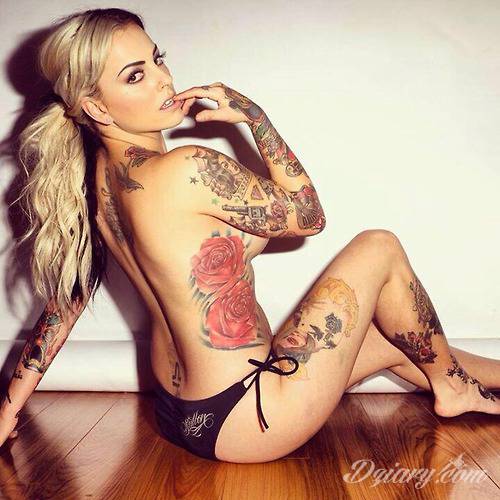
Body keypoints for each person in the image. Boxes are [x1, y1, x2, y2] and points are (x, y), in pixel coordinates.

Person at [2, 7, 499, 464]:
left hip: (178, 414)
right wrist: (256, 119)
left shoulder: (95, 190)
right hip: (251, 416)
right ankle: (452, 389)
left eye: (157, 59)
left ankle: (461, 379)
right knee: (379, 246)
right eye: (136, 76)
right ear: (97, 108)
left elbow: (63, 306)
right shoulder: (185, 169)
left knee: (396, 338)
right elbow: (309, 216)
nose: (163, 80)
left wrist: (7, 409)